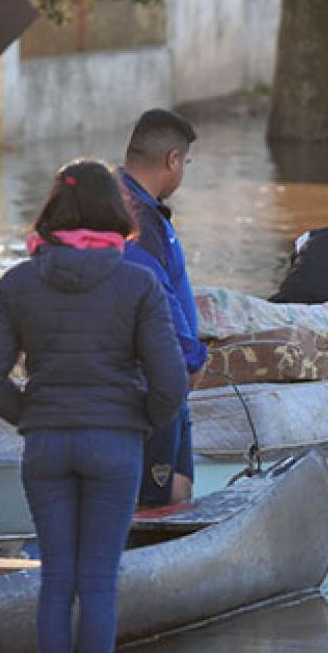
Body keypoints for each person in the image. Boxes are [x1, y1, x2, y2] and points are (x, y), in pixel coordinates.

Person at [0, 159, 188, 653]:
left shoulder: (19, 283)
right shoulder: (138, 283)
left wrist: (30, 413)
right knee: (98, 583)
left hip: (45, 444)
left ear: (53, 211)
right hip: (115, 444)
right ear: (116, 210)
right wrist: (138, 422)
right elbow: (171, 383)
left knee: (56, 581)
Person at [119, 108, 208, 507]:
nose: (182, 174)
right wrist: (192, 357)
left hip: (169, 379)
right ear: (173, 159)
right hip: (154, 374)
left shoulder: (145, 211)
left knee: (178, 487)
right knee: (154, 500)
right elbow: (155, 296)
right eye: (184, 163)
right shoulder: (133, 217)